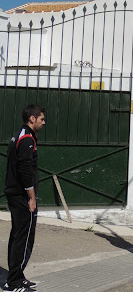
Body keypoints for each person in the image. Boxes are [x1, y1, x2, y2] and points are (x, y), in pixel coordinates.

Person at [3, 104, 45, 292]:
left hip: (15, 194)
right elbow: (25, 169)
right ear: (32, 119)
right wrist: (31, 197)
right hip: (21, 196)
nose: (44, 122)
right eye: (42, 119)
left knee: (18, 235)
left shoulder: (20, 134)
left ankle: (17, 276)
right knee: (24, 238)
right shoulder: (27, 138)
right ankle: (13, 282)